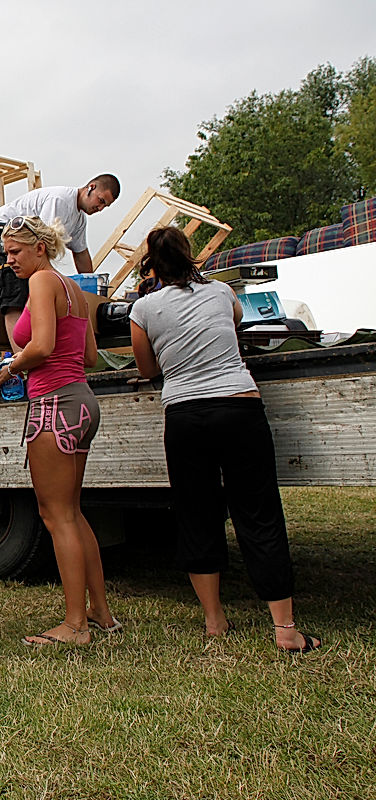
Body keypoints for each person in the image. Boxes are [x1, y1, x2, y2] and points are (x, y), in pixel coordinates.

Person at [129, 227, 321, 654]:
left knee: (197, 515)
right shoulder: (219, 292)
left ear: (151, 264)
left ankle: (215, 620)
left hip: (184, 414)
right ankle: (285, 629)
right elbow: (235, 324)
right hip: (238, 405)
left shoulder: (142, 308)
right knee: (259, 513)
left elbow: (146, 369)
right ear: (190, 255)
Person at [0, 216, 118, 646]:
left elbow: (42, 345)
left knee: (55, 515)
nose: (8, 260)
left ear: (40, 248)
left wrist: (11, 366)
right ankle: (99, 612)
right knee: (73, 512)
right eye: (6, 253)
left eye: (15, 252)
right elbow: (89, 357)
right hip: (82, 400)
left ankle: (75, 625)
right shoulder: (76, 290)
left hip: (53, 406)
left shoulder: (42, 284)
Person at [0, 175, 120, 352]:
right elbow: (42, 242)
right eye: (100, 200)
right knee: (15, 292)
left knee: (39, 287)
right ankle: (20, 359)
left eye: (104, 206)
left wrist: (89, 290)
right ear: (90, 187)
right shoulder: (60, 200)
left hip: (26, 241)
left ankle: (30, 348)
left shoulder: (79, 220)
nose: (99, 208)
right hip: (0, 231)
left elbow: (81, 254)